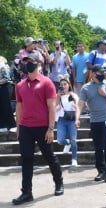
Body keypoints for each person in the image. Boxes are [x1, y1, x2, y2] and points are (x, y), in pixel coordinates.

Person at [12, 53, 64, 205]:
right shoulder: (20, 85)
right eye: (25, 61)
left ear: (38, 63)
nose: (27, 64)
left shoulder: (47, 83)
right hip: (25, 128)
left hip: (42, 127)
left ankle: (59, 183)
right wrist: (18, 127)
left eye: (30, 61)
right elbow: (19, 107)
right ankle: (26, 192)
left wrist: (50, 128)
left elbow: (52, 107)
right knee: (26, 159)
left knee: (49, 156)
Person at [79, 64, 106, 183]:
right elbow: (81, 103)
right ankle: (101, 171)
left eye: (102, 72)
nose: (101, 74)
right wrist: (77, 117)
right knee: (98, 148)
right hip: (94, 121)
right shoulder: (86, 88)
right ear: (92, 74)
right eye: (98, 72)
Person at [56, 75, 80, 167]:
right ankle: (68, 143)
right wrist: (58, 96)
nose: (63, 86)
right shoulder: (58, 96)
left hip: (71, 118)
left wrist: (77, 119)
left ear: (68, 85)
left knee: (73, 139)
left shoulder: (72, 95)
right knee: (60, 140)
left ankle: (74, 159)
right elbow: (55, 107)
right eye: (61, 84)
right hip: (62, 119)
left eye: (65, 84)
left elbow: (77, 107)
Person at [0, 63, 16, 132]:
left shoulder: (2, 65)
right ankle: (2, 125)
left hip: (4, 88)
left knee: (6, 107)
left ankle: (11, 125)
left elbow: (7, 78)